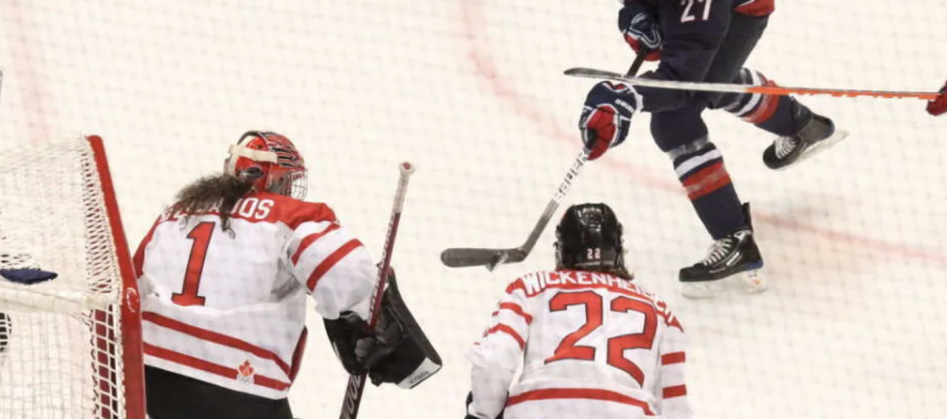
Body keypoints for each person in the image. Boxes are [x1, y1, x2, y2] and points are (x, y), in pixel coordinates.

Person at [135, 131, 441, 419]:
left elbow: (131, 281)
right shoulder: (293, 215)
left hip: (153, 374)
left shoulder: (173, 214)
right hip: (238, 380)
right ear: (274, 177)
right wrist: (371, 322)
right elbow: (349, 276)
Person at [575, 0, 842, 297]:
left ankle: (735, 240)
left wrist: (627, 95)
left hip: (736, 12)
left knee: (676, 120)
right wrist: (636, 11)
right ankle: (802, 124)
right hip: (700, 14)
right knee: (712, 82)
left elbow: (681, 83)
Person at [465, 203, 689, 419]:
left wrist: (482, 413)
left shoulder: (532, 287)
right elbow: (675, 408)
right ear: (618, 250)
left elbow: (493, 362)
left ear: (561, 250)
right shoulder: (660, 311)